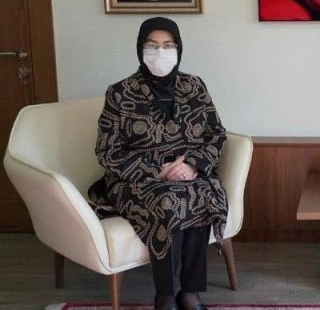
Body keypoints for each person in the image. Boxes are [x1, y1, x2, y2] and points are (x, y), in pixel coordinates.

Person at [88, 17, 227, 310]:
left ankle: (190, 292)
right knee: (168, 201)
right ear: (140, 49)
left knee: (200, 195)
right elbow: (106, 150)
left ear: (179, 49)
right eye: (152, 46)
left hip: (190, 172)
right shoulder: (120, 92)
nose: (160, 53)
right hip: (136, 178)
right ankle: (165, 294)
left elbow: (217, 135)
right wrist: (156, 171)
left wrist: (193, 165)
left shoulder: (194, 86)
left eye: (168, 45)